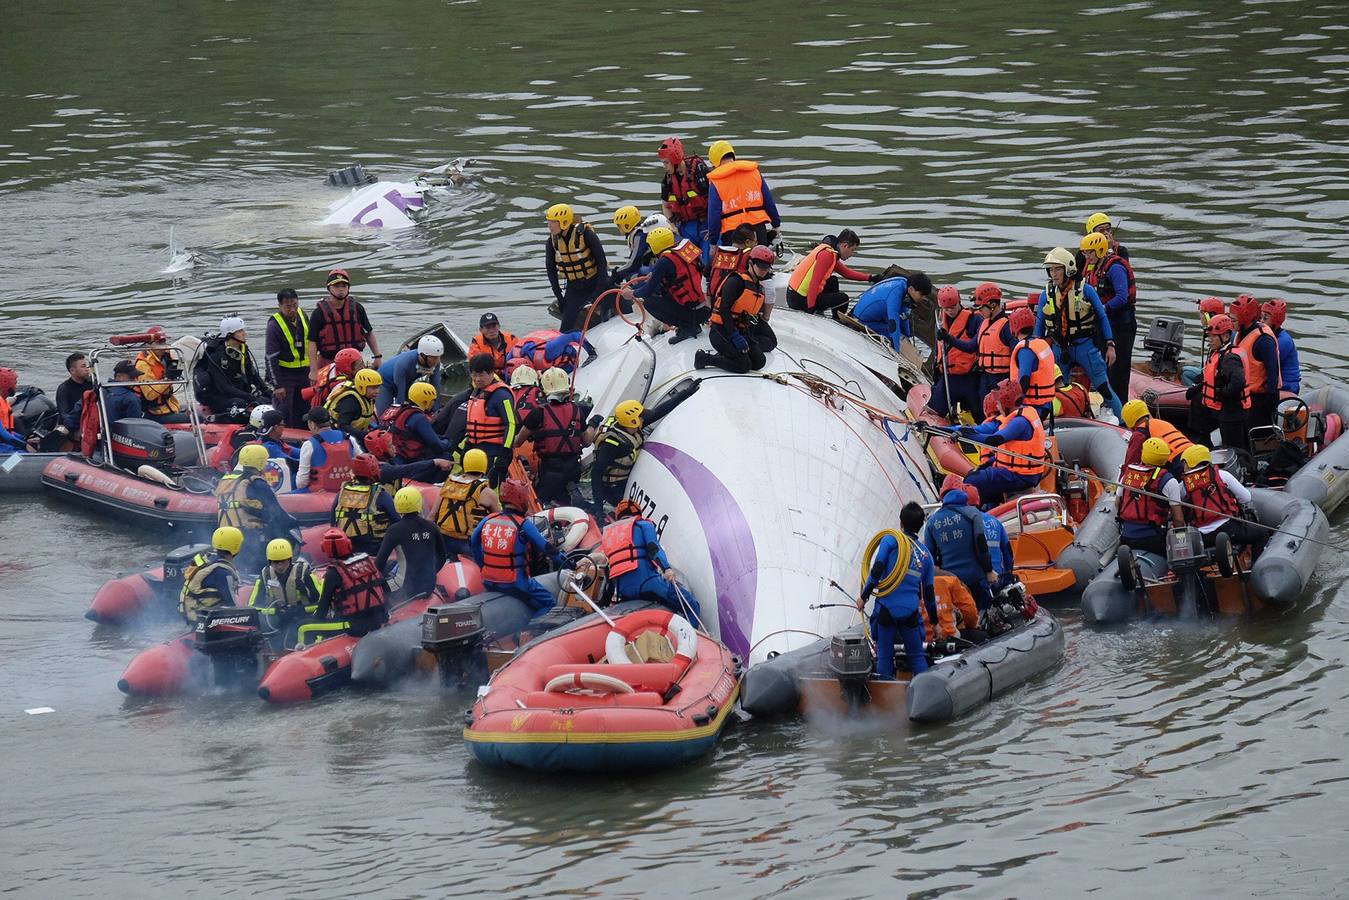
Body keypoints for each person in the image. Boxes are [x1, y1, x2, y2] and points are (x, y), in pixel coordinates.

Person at [1034, 247, 1123, 419]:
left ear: (1068, 269)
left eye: (1058, 269)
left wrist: (1110, 344)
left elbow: (1102, 317)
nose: (1054, 274)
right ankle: (1063, 426)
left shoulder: (1086, 290)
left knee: (1104, 388)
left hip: (1084, 346)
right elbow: (1039, 327)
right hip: (1060, 349)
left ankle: (1125, 424)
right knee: (1059, 391)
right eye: (1051, 269)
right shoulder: (1046, 294)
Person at [471, 478, 566, 616]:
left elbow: (473, 543)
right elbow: (547, 548)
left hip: (488, 581)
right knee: (549, 602)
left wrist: (483, 567)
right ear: (520, 499)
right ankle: (530, 634)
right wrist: (568, 563)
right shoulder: (523, 524)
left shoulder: (489, 519)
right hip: (514, 583)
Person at [600, 500, 702, 625]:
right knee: (691, 606)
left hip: (623, 590)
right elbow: (653, 548)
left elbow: (610, 567)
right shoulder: (643, 525)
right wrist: (667, 569)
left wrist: (607, 600)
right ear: (637, 513)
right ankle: (692, 638)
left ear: (618, 517)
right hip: (648, 583)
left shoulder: (608, 535)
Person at [857, 524, 936, 678]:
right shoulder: (925, 554)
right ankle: (925, 692)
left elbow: (877, 569)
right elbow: (929, 593)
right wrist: (935, 623)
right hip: (910, 611)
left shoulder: (890, 541)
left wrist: (864, 596)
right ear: (920, 526)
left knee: (884, 656)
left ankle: (886, 696)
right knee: (917, 656)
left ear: (901, 523)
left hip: (887, 608)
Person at [957, 379, 1049, 511]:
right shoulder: (1025, 414)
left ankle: (968, 516)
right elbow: (1007, 455)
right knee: (983, 484)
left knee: (973, 481)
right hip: (1018, 472)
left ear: (1006, 403)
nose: (998, 407)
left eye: (998, 404)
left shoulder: (1018, 422)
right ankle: (985, 512)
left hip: (1020, 476)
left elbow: (995, 439)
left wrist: (966, 435)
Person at [694, 244, 778, 373]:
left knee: (759, 362)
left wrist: (751, 331)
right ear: (750, 263)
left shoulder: (758, 287)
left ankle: (729, 353)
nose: (764, 271)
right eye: (761, 267)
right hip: (721, 331)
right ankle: (704, 358)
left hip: (741, 331)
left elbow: (751, 316)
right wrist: (734, 335)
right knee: (743, 365)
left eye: (766, 268)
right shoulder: (736, 281)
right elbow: (724, 309)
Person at [216, 443, 300, 570]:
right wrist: (293, 523)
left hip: (226, 537)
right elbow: (276, 512)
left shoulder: (226, 480)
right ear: (260, 462)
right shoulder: (256, 483)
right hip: (251, 538)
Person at [518, 367, 595, 506]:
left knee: (540, 504)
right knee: (566, 502)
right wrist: (593, 424)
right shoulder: (576, 410)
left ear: (543, 391)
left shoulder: (537, 413)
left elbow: (517, 442)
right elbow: (588, 441)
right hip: (573, 470)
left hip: (549, 471)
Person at [299, 528, 388, 645]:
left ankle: (303, 652)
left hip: (354, 626)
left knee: (304, 626)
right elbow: (384, 588)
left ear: (325, 549)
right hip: (379, 618)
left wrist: (311, 618)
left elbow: (322, 610)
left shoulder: (333, 573)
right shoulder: (368, 561)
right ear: (348, 544)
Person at [622, 226, 707, 343]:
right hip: (707, 307)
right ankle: (691, 324)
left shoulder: (664, 261)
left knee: (649, 302)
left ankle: (688, 327)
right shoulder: (685, 249)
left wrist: (631, 293)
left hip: (694, 312)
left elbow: (647, 291)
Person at [1080, 231, 1137, 405]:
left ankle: (1122, 410)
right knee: (1104, 368)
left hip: (1121, 326)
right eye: (1085, 253)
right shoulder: (1095, 268)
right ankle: (1106, 403)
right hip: (1105, 325)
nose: (1087, 257)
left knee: (1118, 372)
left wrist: (1101, 309)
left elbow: (1122, 296)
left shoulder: (1115, 268)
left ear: (1099, 250)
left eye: (1089, 253)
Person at [921, 481, 996, 611]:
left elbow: (930, 558)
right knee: (985, 614)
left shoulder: (932, 522)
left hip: (950, 581)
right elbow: (981, 544)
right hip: (976, 577)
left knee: (961, 619)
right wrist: (988, 570)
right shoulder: (972, 513)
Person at [1180, 444, 1267, 556]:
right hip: (1228, 529)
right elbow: (1246, 498)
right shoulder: (1222, 475)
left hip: (1201, 537)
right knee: (1262, 534)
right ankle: (1254, 568)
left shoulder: (1183, 486)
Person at [1186, 314, 1250, 452]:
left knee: (1234, 448)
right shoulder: (1219, 353)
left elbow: (1238, 381)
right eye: (1209, 336)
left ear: (1225, 337)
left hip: (1233, 411)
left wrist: (1222, 392)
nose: (1210, 340)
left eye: (1213, 336)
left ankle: (1242, 469)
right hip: (1223, 410)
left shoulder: (1229, 358)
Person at [1116, 437, 1185, 558]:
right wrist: (1182, 540)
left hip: (1127, 537)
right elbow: (1178, 519)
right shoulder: (1168, 481)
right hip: (1152, 538)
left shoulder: (1127, 475)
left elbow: (1117, 503)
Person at [544, 203, 609, 332]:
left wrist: (597, 293)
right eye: (548, 222)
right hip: (575, 287)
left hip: (595, 282)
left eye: (553, 222)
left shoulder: (586, 235)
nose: (549, 225)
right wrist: (559, 295)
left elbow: (602, 263)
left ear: (563, 222)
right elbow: (550, 268)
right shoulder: (552, 242)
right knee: (566, 327)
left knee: (605, 315)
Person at [941, 475, 1014, 588]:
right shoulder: (994, 522)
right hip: (996, 581)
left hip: (966, 584)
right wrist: (1008, 576)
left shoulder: (953, 524)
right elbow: (1008, 554)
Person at [704, 140, 780, 247]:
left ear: (715, 162)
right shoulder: (753, 172)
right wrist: (776, 225)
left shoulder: (716, 180)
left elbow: (714, 215)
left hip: (733, 234)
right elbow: (769, 202)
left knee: (737, 263)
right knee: (760, 261)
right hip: (757, 229)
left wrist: (713, 241)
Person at [375, 487, 447, 599]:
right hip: (429, 585)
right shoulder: (432, 526)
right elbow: (442, 557)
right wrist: (429, 574)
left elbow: (379, 564)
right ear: (419, 504)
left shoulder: (395, 530)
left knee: (382, 584)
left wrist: (379, 583)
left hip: (404, 587)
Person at [306, 268, 381, 375]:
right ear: (329, 288)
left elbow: (368, 332)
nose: (341, 289)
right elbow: (312, 342)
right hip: (328, 362)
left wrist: (377, 356)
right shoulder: (319, 313)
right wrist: (313, 370)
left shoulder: (357, 308)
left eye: (344, 286)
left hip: (355, 363)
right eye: (336, 286)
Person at [785, 230, 875, 316]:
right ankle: (836, 321)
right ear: (845, 246)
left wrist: (871, 278)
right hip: (799, 300)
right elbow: (814, 283)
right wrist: (810, 309)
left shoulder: (830, 251)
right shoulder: (827, 255)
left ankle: (821, 311)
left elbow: (846, 273)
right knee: (843, 298)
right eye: (852, 250)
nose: (852, 254)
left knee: (833, 281)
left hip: (794, 294)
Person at [194, 316, 271, 417]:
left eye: (243, 330)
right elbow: (224, 387)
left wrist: (268, 392)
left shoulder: (243, 350)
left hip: (240, 393)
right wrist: (250, 397)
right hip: (220, 397)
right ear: (229, 334)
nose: (244, 333)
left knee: (268, 400)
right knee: (240, 404)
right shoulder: (216, 355)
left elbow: (253, 375)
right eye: (239, 331)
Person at [248, 538, 321, 642]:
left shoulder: (303, 573)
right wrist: (275, 611)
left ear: (290, 559)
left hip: (303, 618)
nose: (279, 566)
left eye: (283, 561)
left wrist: (300, 610)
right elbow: (253, 606)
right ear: (269, 562)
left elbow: (321, 603)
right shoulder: (266, 575)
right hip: (279, 620)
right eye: (275, 562)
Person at [434, 448, 500, 560]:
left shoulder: (449, 484)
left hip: (444, 539)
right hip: (468, 543)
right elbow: (499, 521)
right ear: (484, 466)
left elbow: (432, 514)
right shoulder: (487, 492)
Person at [463, 353, 518, 485]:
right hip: (475, 452)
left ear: (492, 373)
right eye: (474, 375)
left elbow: (511, 424)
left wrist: (505, 452)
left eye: (481, 375)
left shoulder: (502, 395)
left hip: (494, 453)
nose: (477, 379)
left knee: (491, 488)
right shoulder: (476, 392)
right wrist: (468, 444)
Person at [331, 451, 400, 556]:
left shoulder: (342, 491)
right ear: (373, 470)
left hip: (346, 549)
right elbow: (397, 520)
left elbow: (332, 520)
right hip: (374, 550)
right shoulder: (380, 494)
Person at [930, 285, 983, 420]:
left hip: (969, 376)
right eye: (947, 308)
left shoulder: (974, 320)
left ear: (959, 301)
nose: (950, 311)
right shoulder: (941, 321)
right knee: (933, 410)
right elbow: (938, 349)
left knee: (978, 414)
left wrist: (949, 339)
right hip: (948, 377)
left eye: (953, 306)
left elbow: (972, 346)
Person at [852, 270, 935, 353]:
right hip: (862, 320)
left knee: (901, 335)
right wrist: (897, 352)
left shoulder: (904, 284)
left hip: (876, 316)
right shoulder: (895, 293)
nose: (923, 298)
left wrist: (907, 336)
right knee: (895, 334)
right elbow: (893, 323)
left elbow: (904, 315)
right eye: (921, 295)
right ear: (911, 289)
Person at [1230, 294, 1281, 426]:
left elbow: (1273, 371)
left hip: (1259, 399)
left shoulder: (1263, 340)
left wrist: (1270, 400)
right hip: (1244, 396)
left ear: (1244, 318)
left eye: (1234, 320)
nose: (1231, 323)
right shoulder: (1240, 334)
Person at [265, 288, 312, 427]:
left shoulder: (303, 315)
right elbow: (270, 357)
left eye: (295, 305)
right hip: (284, 374)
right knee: (284, 410)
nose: (292, 310)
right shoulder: (274, 325)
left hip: (304, 372)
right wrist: (277, 385)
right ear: (280, 306)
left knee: (305, 408)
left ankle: (304, 434)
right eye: (288, 307)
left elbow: (312, 343)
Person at [178, 526, 243, 624]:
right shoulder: (223, 572)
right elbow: (231, 604)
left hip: (190, 611)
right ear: (236, 547)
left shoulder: (208, 560)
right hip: (203, 619)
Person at [591, 399, 645, 515]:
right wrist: (598, 508)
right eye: (641, 416)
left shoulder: (632, 429)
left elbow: (657, 412)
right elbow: (596, 474)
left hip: (626, 481)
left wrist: (686, 392)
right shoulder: (612, 444)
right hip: (614, 490)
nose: (643, 418)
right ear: (632, 420)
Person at [658, 137, 711, 246]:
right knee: (686, 260)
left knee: (708, 259)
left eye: (666, 163)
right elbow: (666, 206)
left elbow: (715, 201)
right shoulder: (668, 181)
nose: (664, 167)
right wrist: (672, 226)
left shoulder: (699, 171)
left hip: (706, 225)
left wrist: (714, 228)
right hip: (685, 228)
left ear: (675, 159)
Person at [379, 381, 449, 463]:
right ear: (425, 401)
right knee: (447, 456)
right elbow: (437, 446)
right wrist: (448, 441)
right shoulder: (419, 418)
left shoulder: (399, 409)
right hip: (406, 460)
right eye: (432, 401)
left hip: (391, 455)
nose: (433, 404)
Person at [295, 407, 361, 491]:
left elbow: (301, 483)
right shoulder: (349, 438)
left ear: (312, 424)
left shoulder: (309, 445)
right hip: (345, 491)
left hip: (319, 494)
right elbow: (361, 462)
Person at [375, 335, 443, 415]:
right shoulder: (404, 364)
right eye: (434, 358)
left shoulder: (435, 363)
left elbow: (436, 387)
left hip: (407, 380)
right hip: (384, 382)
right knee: (385, 415)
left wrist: (436, 412)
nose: (437, 361)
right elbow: (400, 396)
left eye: (438, 357)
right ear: (423, 355)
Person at [1008, 307, 1056, 419]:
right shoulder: (1041, 343)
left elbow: (1024, 380)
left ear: (1014, 326)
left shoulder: (1025, 349)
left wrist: (1014, 404)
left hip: (1032, 406)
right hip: (1046, 404)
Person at [133, 327, 188, 423]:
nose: (163, 346)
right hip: (153, 412)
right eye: (159, 343)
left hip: (167, 405)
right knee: (197, 419)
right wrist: (168, 379)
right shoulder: (143, 364)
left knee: (194, 412)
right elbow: (150, 395)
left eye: (164, 342)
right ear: (148, 345)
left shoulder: (165, 356)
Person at [1120, 398, 1193, 471]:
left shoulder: (1140, 433)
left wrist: (1123, 475)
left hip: (1178, 461)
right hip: (1194, 451)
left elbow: (1131, 461)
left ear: (1128, 420)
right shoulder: (1160, 422)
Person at [973, 282, 1014, 399]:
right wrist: (949, 339)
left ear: (993, 305)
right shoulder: (984, 323)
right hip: (986, 376)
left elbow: (1016, 354)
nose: (979, 311)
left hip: (1001, 378)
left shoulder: (1006, 326)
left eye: (981, 308)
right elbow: (971, 346)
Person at [325, 367, 382, 439]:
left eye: (378, 387)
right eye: (374, 388)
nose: (377, 391)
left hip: (356, 434)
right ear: (362, 387)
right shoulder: (351, 402)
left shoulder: (368, 397)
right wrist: (365, 435)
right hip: (338, 435)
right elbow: (342, 426)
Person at [706, 223, 757, 299]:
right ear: (747, 242)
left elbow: (705, 281)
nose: (756, 244)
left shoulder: (717, 255)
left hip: (715, 304)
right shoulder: (750, 259)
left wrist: (709, 305)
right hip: (738, 306)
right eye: (755, 242)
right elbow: (769, 289)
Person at [1262, 299, 1300, 395]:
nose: (1261, 322)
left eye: (1265, 319)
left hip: (1287, 388)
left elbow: (1265, 366)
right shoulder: (1267, 337)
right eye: (1260, 318)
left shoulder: (1283, 341)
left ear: (1275, 320)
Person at [0, 367, 30, 451]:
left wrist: (26, 440)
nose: (16, 387)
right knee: (21, 456)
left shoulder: (4, 401)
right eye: (15, 383)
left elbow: (10, 433)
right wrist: (25, 445)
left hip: (5, 444)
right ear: (6, 385)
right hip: (3, 448)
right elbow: (3, 434)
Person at [56, 353, 90, 421]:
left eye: (87, 366)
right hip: (74, 423)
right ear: (72, 370)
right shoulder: (64, 389)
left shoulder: (92, 384)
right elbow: (64, 415)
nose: (87, 369)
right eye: (83, 366)